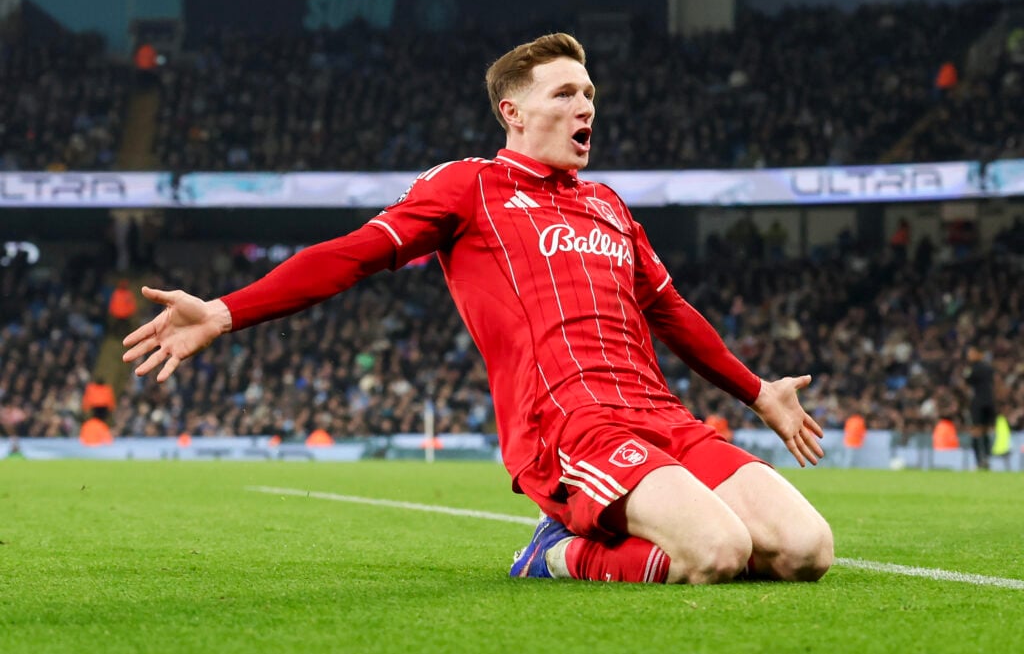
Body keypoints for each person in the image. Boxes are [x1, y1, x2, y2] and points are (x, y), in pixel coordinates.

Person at [123, 33, 833, 585]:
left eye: (589, 93)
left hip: (660, 415)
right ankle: (555, 553)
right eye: (564, 94)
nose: (585, 107)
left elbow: (671, 309)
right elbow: (352, 253)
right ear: (513, 112)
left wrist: (758, 390)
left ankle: (629, 527)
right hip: (567, 422)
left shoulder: (609, 206)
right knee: (717, 551)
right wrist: (225, 310)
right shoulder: (471, 187)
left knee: (807, 550)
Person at [963, 345, 996, 470]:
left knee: (976, 432)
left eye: (971, 353)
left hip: (977, 402)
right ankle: (987, 458)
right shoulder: (989, 368)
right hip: (990, 402)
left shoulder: (972, 369)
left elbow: (966, 382)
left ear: (978, 353)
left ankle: (978, 461)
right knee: (987, 430)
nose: (969, 356)